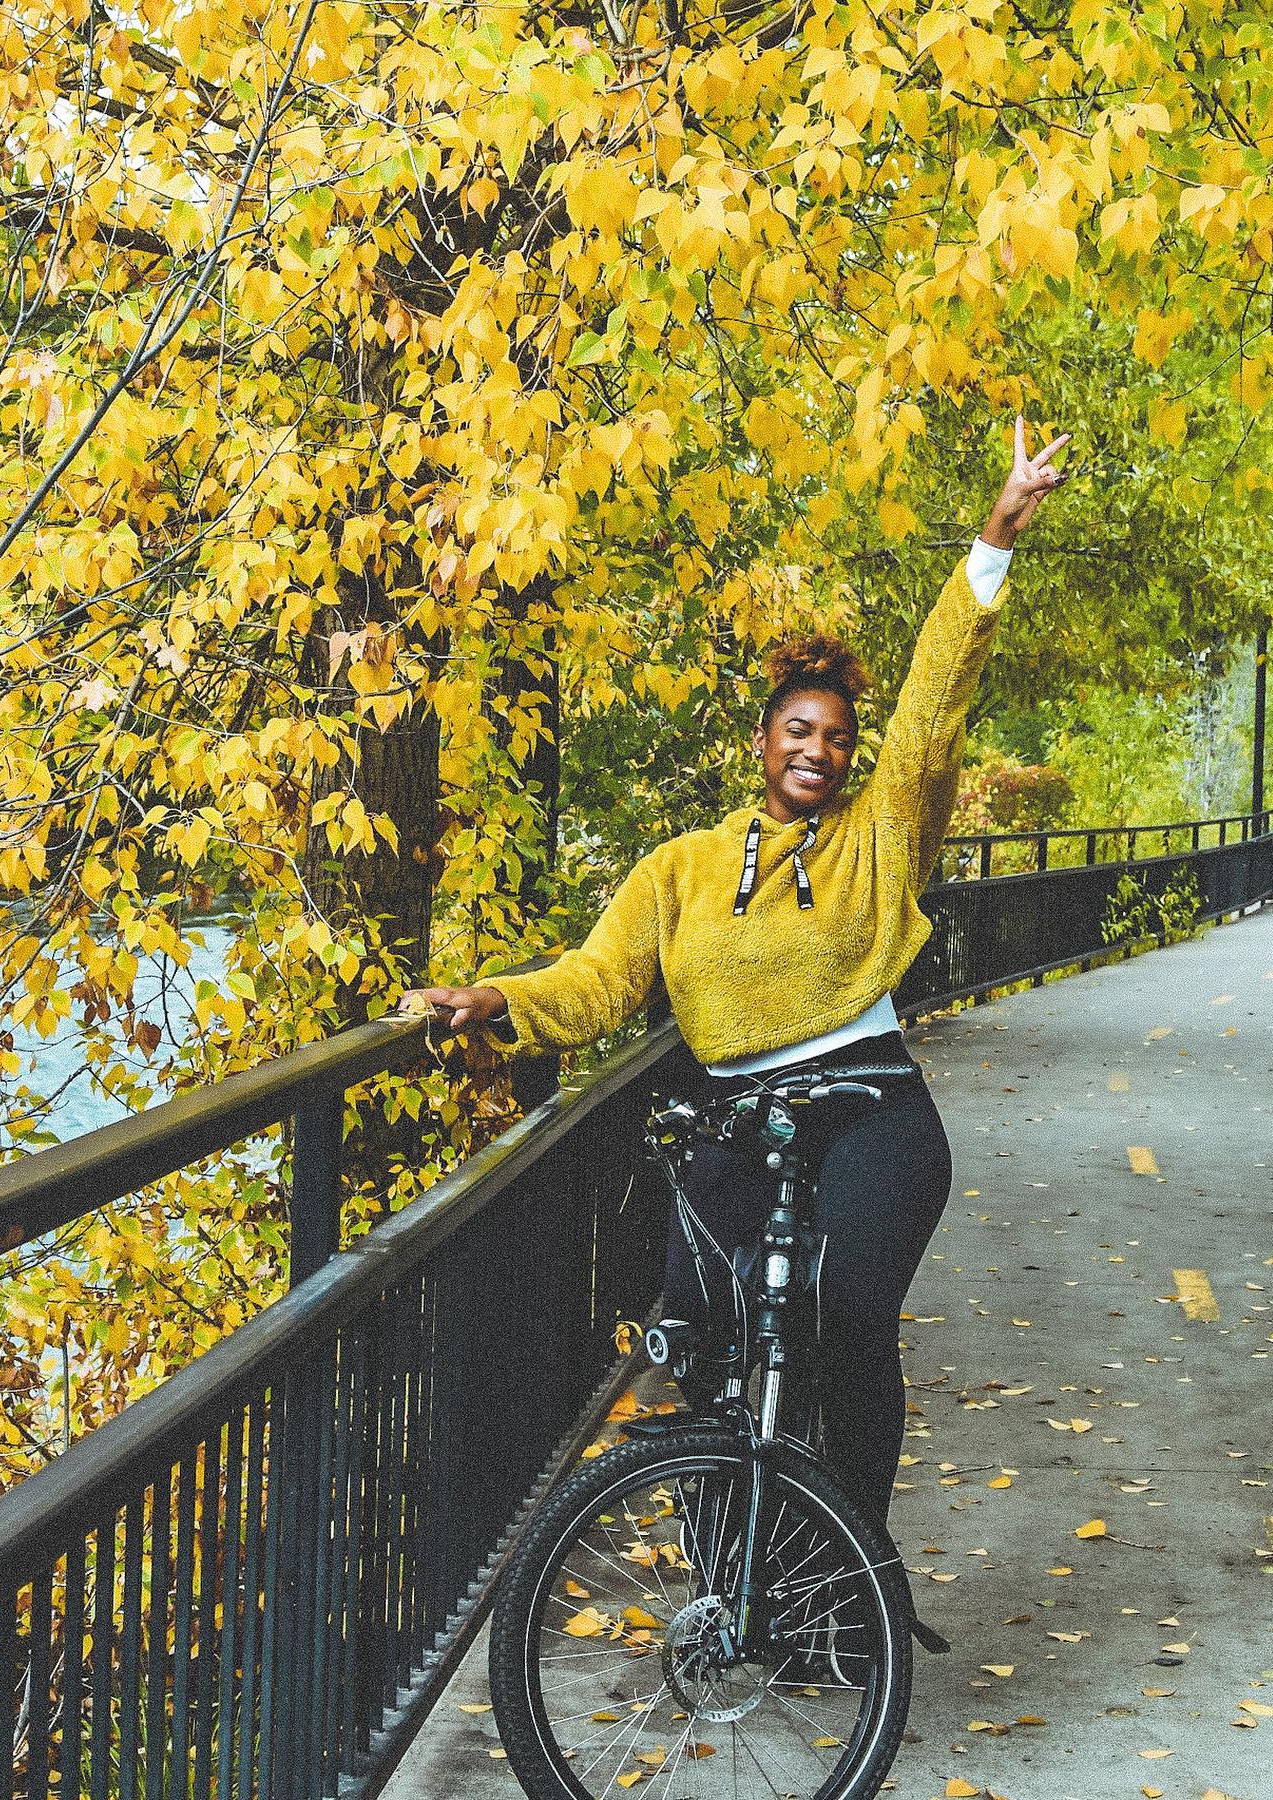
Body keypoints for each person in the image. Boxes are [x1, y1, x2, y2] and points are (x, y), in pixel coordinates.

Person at [400, 416, 1071, 1522]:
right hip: (732, 1119)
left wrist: (995, 539)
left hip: (870, 1113)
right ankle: (734, 1576)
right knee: (701, 1335)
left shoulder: (882, 832)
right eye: (797, 732)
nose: (819, 750)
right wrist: (496, 1001)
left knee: (845, 1317)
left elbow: (935, 705)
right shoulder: (683, 867)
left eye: (836, 738)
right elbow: (599, 981)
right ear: (761, 743)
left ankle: (856, 1574)